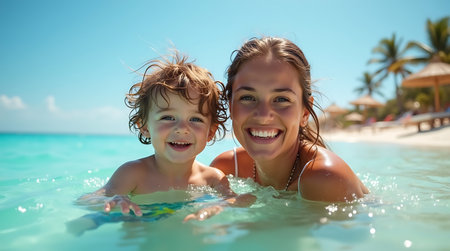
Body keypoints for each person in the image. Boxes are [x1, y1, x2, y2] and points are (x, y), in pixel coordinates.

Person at [78, 52, 254, 221]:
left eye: (195, 119)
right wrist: (110, 201)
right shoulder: (133, 174)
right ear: (144, 126)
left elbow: (241, 201)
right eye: (168, 117)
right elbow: (87, 200)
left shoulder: (213, 179)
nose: (182, 129)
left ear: (210, 132)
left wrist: (218, 207)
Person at [211, 37, 369, 202]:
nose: (264, 115)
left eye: (281, 99)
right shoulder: (226, 169)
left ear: (305, 113)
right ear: (230, 106)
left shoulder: (324, 178)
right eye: (248, 97)